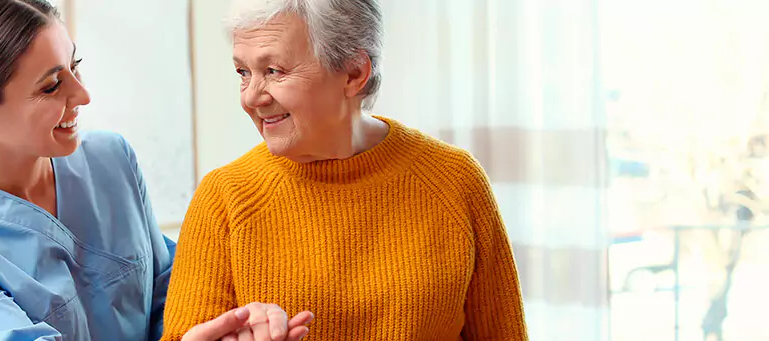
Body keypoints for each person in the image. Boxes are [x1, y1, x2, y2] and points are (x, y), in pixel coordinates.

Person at [0, 1, 312, 340]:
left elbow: (171, 292)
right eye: (51, 86)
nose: (83, 94)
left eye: (75, 67)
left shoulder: (112, 160)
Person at [161, 0, 529, 340]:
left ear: (354, 73)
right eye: (243, 72)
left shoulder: (454, 180)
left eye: (273, 71)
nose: (251, 96)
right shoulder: (224, 196)